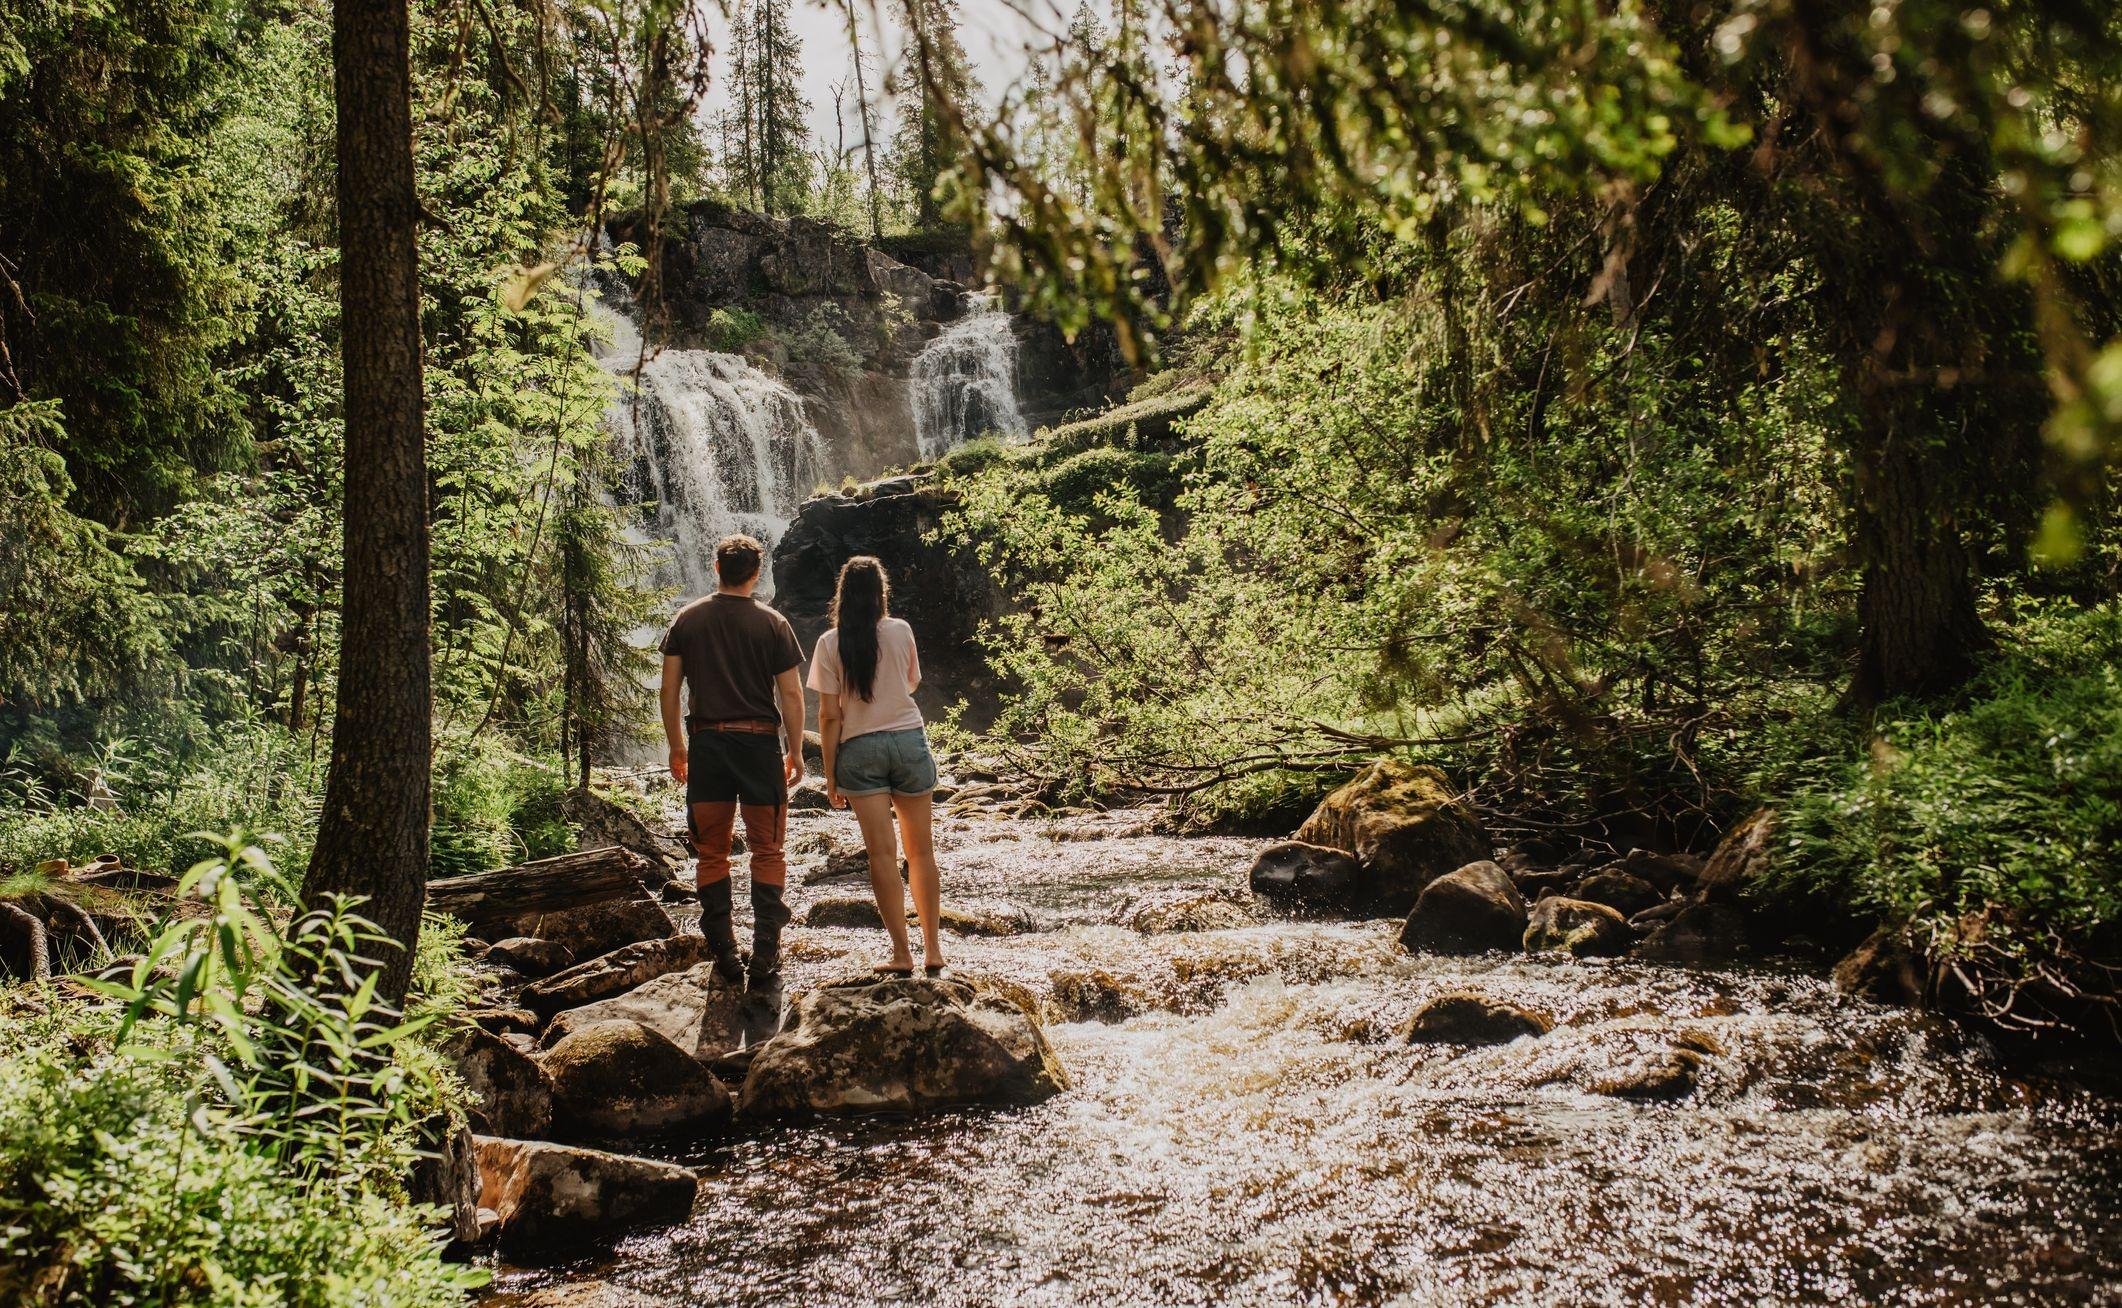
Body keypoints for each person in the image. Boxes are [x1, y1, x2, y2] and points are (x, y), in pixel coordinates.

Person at [659, 534, 806, 994]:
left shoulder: (687, 619)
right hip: (760, 747)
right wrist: (796, 749)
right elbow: (792, 693)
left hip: (708, 748)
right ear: (756, 573)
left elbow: (669, 690)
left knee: (711, 851)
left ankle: (723, 951)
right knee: (768, 850)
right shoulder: (774, 623)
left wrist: (676, 746)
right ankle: (765, 950)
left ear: (716, 568)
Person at [807, 556, 946, 975]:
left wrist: (830, 773)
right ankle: (933, 952)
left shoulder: (829, 643)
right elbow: (910, 683)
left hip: (860, 749)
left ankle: (901, 955)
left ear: (842, 597)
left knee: (882, 857)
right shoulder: (901, 630)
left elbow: (829, 716)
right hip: (908, 741)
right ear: (881, 594)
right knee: (921, 852)